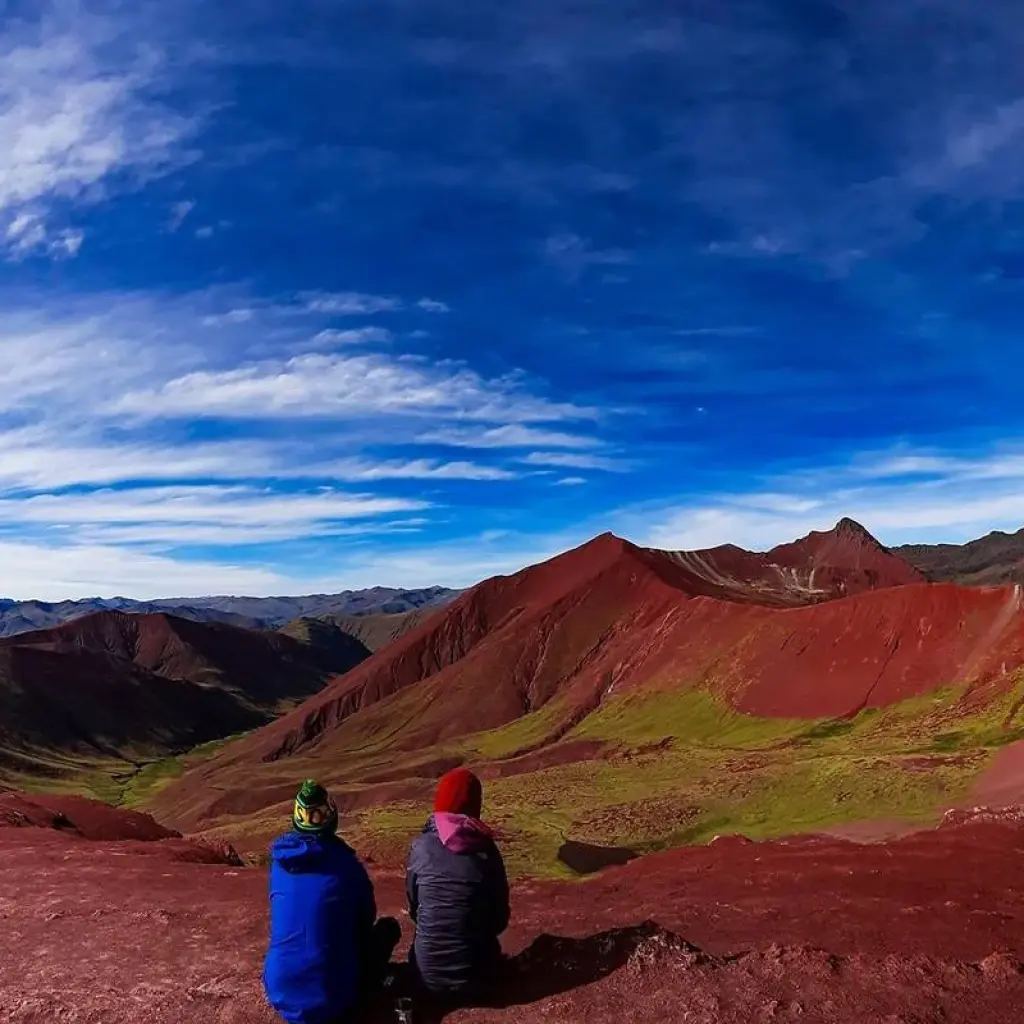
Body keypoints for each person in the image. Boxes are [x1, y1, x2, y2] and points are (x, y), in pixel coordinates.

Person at [264, 779, 401, 1024]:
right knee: (388, 928)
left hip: (281, 991)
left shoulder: (279, 864)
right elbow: (364, 921)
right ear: (331, 818)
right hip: (332, 999)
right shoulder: (347, 867)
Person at [405, 767, 510, 1004]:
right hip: (478, 980)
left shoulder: (420, 847)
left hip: (426, 979)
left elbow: (414, 908)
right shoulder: (487, 851)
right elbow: (499, 920)